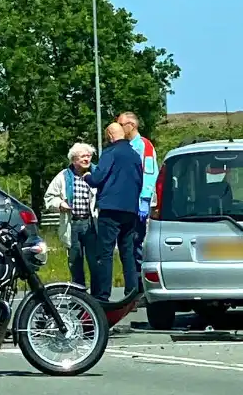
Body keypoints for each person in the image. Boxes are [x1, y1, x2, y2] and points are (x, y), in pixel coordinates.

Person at [83, 123, 143, 298]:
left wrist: (87, 176)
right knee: (128, 252)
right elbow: (139, 180)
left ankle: (103, 295)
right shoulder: (134, 154)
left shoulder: (110, 153)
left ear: (110, 135)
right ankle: (131, 293)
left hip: (110, 209)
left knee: (106, 253)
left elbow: (98, 178)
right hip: (130, 209)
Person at [43, 142, 104, 301]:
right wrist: (60, 204)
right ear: (74, 159)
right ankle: (80, 297)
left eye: (89, 156)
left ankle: (98, 298)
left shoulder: (97, 173)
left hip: (92, 224)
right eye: (83, 156)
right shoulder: (63, 176)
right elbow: (49, 198)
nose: (87, 159)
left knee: (95, 261)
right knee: (75, 262)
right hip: (72, 224)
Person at [118, 111, 158, 282]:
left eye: (121, 125)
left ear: (131, 126)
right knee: (128, 245)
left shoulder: (144, 146)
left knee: (138, 243)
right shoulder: (125, 146)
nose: (118, 128)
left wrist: (145, 199)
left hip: (139, 205)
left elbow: (149, 173)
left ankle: (141, 286)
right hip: (126, 203)